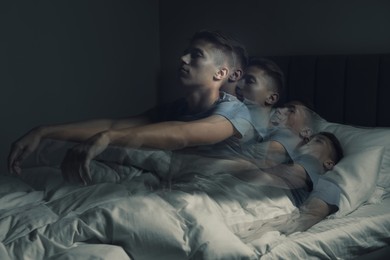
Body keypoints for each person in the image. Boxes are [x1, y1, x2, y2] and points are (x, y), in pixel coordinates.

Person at [8, 30, 257, 185]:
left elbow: (182, 134)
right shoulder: (174, 109)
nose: (182, 59)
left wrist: (109, 138)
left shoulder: (235, 111)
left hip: (224, 189)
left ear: (221, 73)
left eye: (196, 55)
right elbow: (113, 125)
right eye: (184, 53)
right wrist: (43, 131)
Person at [234, 131, 344, 242]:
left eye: (318, 141)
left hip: (271, 203)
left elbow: (311, 215)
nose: (308, 141)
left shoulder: (328, 184)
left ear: (328, 163)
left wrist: (269, 228)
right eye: (308, 139)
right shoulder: (283, 159)